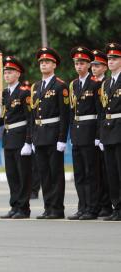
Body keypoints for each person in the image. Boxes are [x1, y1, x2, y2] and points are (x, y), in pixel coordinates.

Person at [0, 56, 32, 219]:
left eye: (10, 72)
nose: (7, 75)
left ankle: (23, 208)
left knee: (22, 175)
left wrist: (28, 142)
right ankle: (14, 206)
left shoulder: (24, 93)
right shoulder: (5, 93)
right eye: (5, 72)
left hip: (21, 137)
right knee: (12, 175)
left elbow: (30, 119)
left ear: (18, 74)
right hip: (8, 137)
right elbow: (5, 117)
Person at [30, 47, 69, 219]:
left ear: (54, 65)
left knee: (55, 173)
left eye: (47, 62)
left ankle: (57, 208)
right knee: (44, 173)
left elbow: (64, 114)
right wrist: (31, 138)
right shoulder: (36, 87)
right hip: (39, 135)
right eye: (42, 62)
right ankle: (48, 207)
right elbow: (32, 114)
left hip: (53, 135)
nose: (44, 64)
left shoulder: (60, 86)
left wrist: (62, 138)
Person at [67, 47, 101, 220]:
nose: (79, 66)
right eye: (76, 63)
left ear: (88, 65)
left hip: (90, 131)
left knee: (90, 172)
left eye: (82, 63)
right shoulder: (74, 84)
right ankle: (82, 206)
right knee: (79, 173)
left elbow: (100, 111)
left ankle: (92, 208)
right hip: (77, 132)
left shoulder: (95, 84)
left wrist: (97, 136)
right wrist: (72, 133)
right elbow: (72, 111)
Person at [99, 42, 121, 221]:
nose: (111, 61)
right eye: (109, 58)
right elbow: (102, 110)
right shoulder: (106, 83)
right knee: (111, 172)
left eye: (115, 58)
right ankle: (117, 207)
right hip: (108, 130)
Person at [91, 49, 112, 217]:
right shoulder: (96, 84)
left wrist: (100, 135)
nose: (94, 68)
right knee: (96, 172)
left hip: (107, 131)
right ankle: (100, 204)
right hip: (94, 133)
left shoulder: (106, 83)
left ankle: (107, 205)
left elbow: (102, 113)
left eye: (97, 65)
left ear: (104, 67)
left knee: (106, 171)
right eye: (93, 65)